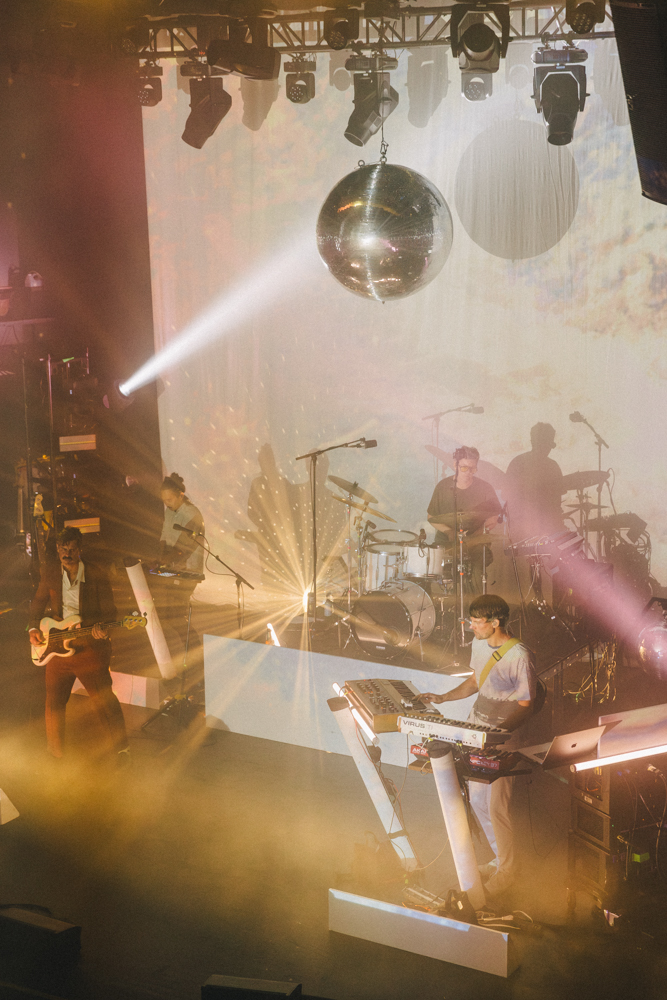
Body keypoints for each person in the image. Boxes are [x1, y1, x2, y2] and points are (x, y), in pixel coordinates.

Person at [422, 594, 536, 898]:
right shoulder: (478, 644)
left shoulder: (519, 656)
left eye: (476, 621)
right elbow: (476, 681)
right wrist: (444, 697)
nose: (471, 626)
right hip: (479, 729)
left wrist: (497, 737)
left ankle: (509, 872)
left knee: (496, 807)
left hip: (504, 738)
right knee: (476, 801)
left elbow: (526, 704)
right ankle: (501, 861)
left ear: (495, 622)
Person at [28, 526, 128, 760]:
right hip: (56, 647)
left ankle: (122, 750)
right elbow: (37, 604)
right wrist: (33, 628)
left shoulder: (96, 574)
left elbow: (110, 612)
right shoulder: (51, 572)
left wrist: (102, 629)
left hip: (88, 648)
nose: (67, 553)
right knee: (53, 702)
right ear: (57, 549)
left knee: (104, 700)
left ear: (80, 549)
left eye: (72, 548)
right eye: (63, 548)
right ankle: (55, 752)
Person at [427, 446, 502, 594]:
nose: (468, 473)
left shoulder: (485, 488)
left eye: (472, 469)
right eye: (464, 468)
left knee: (475, 569)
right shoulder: (443, 487)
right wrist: (449, 531)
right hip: (446, 543)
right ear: (455, 465)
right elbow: (432, 518)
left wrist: (479, 533)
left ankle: (475, 610)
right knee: (428, 569)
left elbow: (494, 517)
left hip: (475, 544)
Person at [156, 473, 205, 654]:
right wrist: (161, 560)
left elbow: (183, 548)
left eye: (170, 499)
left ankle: (194, 651)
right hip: (171, 568)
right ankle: (191, 651)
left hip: (187, 571)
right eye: (164, 500)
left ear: (180, 495)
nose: (167, 503)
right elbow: (164, 537)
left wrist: (163, 561)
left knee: (176, 616)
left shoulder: (193, 515)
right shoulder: (169, 512)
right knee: (169, 616)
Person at [504, 423, 564, 542]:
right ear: (534, 442)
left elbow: (557, 504)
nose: (547, 449)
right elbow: (507, 496)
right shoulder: (519, 463)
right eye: (546, 444)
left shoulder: (518, 462)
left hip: (545, 528)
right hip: (524, 529)